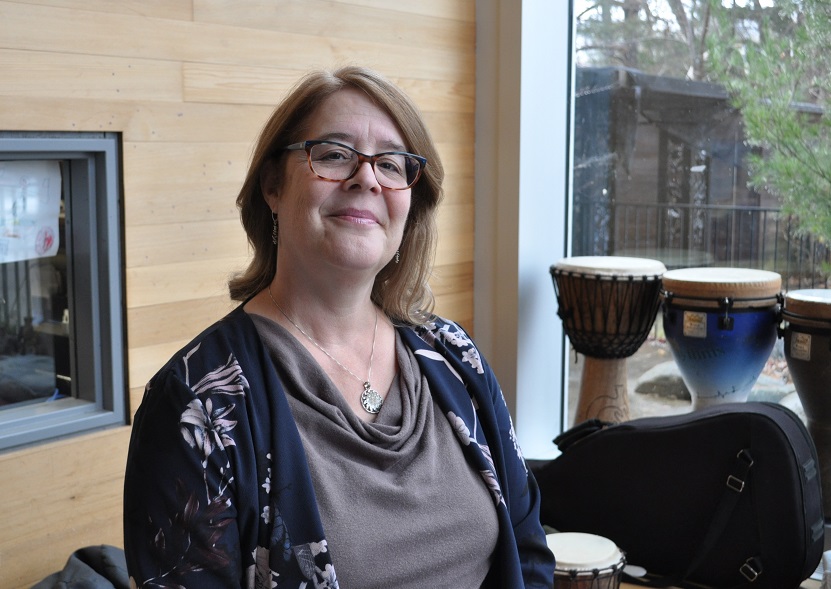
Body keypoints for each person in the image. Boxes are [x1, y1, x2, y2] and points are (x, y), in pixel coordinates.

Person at [123, 65, 555, 589]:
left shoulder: (454, 357)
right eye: (333, 154)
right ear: (272, 186)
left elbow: (527, 551)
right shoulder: (194, 402)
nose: (366, 178)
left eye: (392, 164)